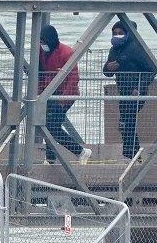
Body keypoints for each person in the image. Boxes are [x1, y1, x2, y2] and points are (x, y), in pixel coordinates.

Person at [104, 19, 157, 161]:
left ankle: (130, 154)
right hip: (124, 92)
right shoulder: (114, 49)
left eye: (120, 33)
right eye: (115, 33)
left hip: (136, 93)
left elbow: (152, 69)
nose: (117, 35)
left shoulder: (136, 48)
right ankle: (134, 154)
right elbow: (106, 71)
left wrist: (139, 88)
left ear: (127, 33)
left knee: (127, 122)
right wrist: (109, 68)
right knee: (126, 123)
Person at [38, 24, 91, 165]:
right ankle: (50, 158)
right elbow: (40, 74)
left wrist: (63, 101)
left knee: (52, 127)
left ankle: (79, 151)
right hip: (48, 94)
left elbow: (74, 78)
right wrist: (39, 94)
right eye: (40, 42)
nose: (41, 45)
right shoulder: (41, 52)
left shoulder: (66, 52)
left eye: (43, 42)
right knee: (48, 125)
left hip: (65, 94)